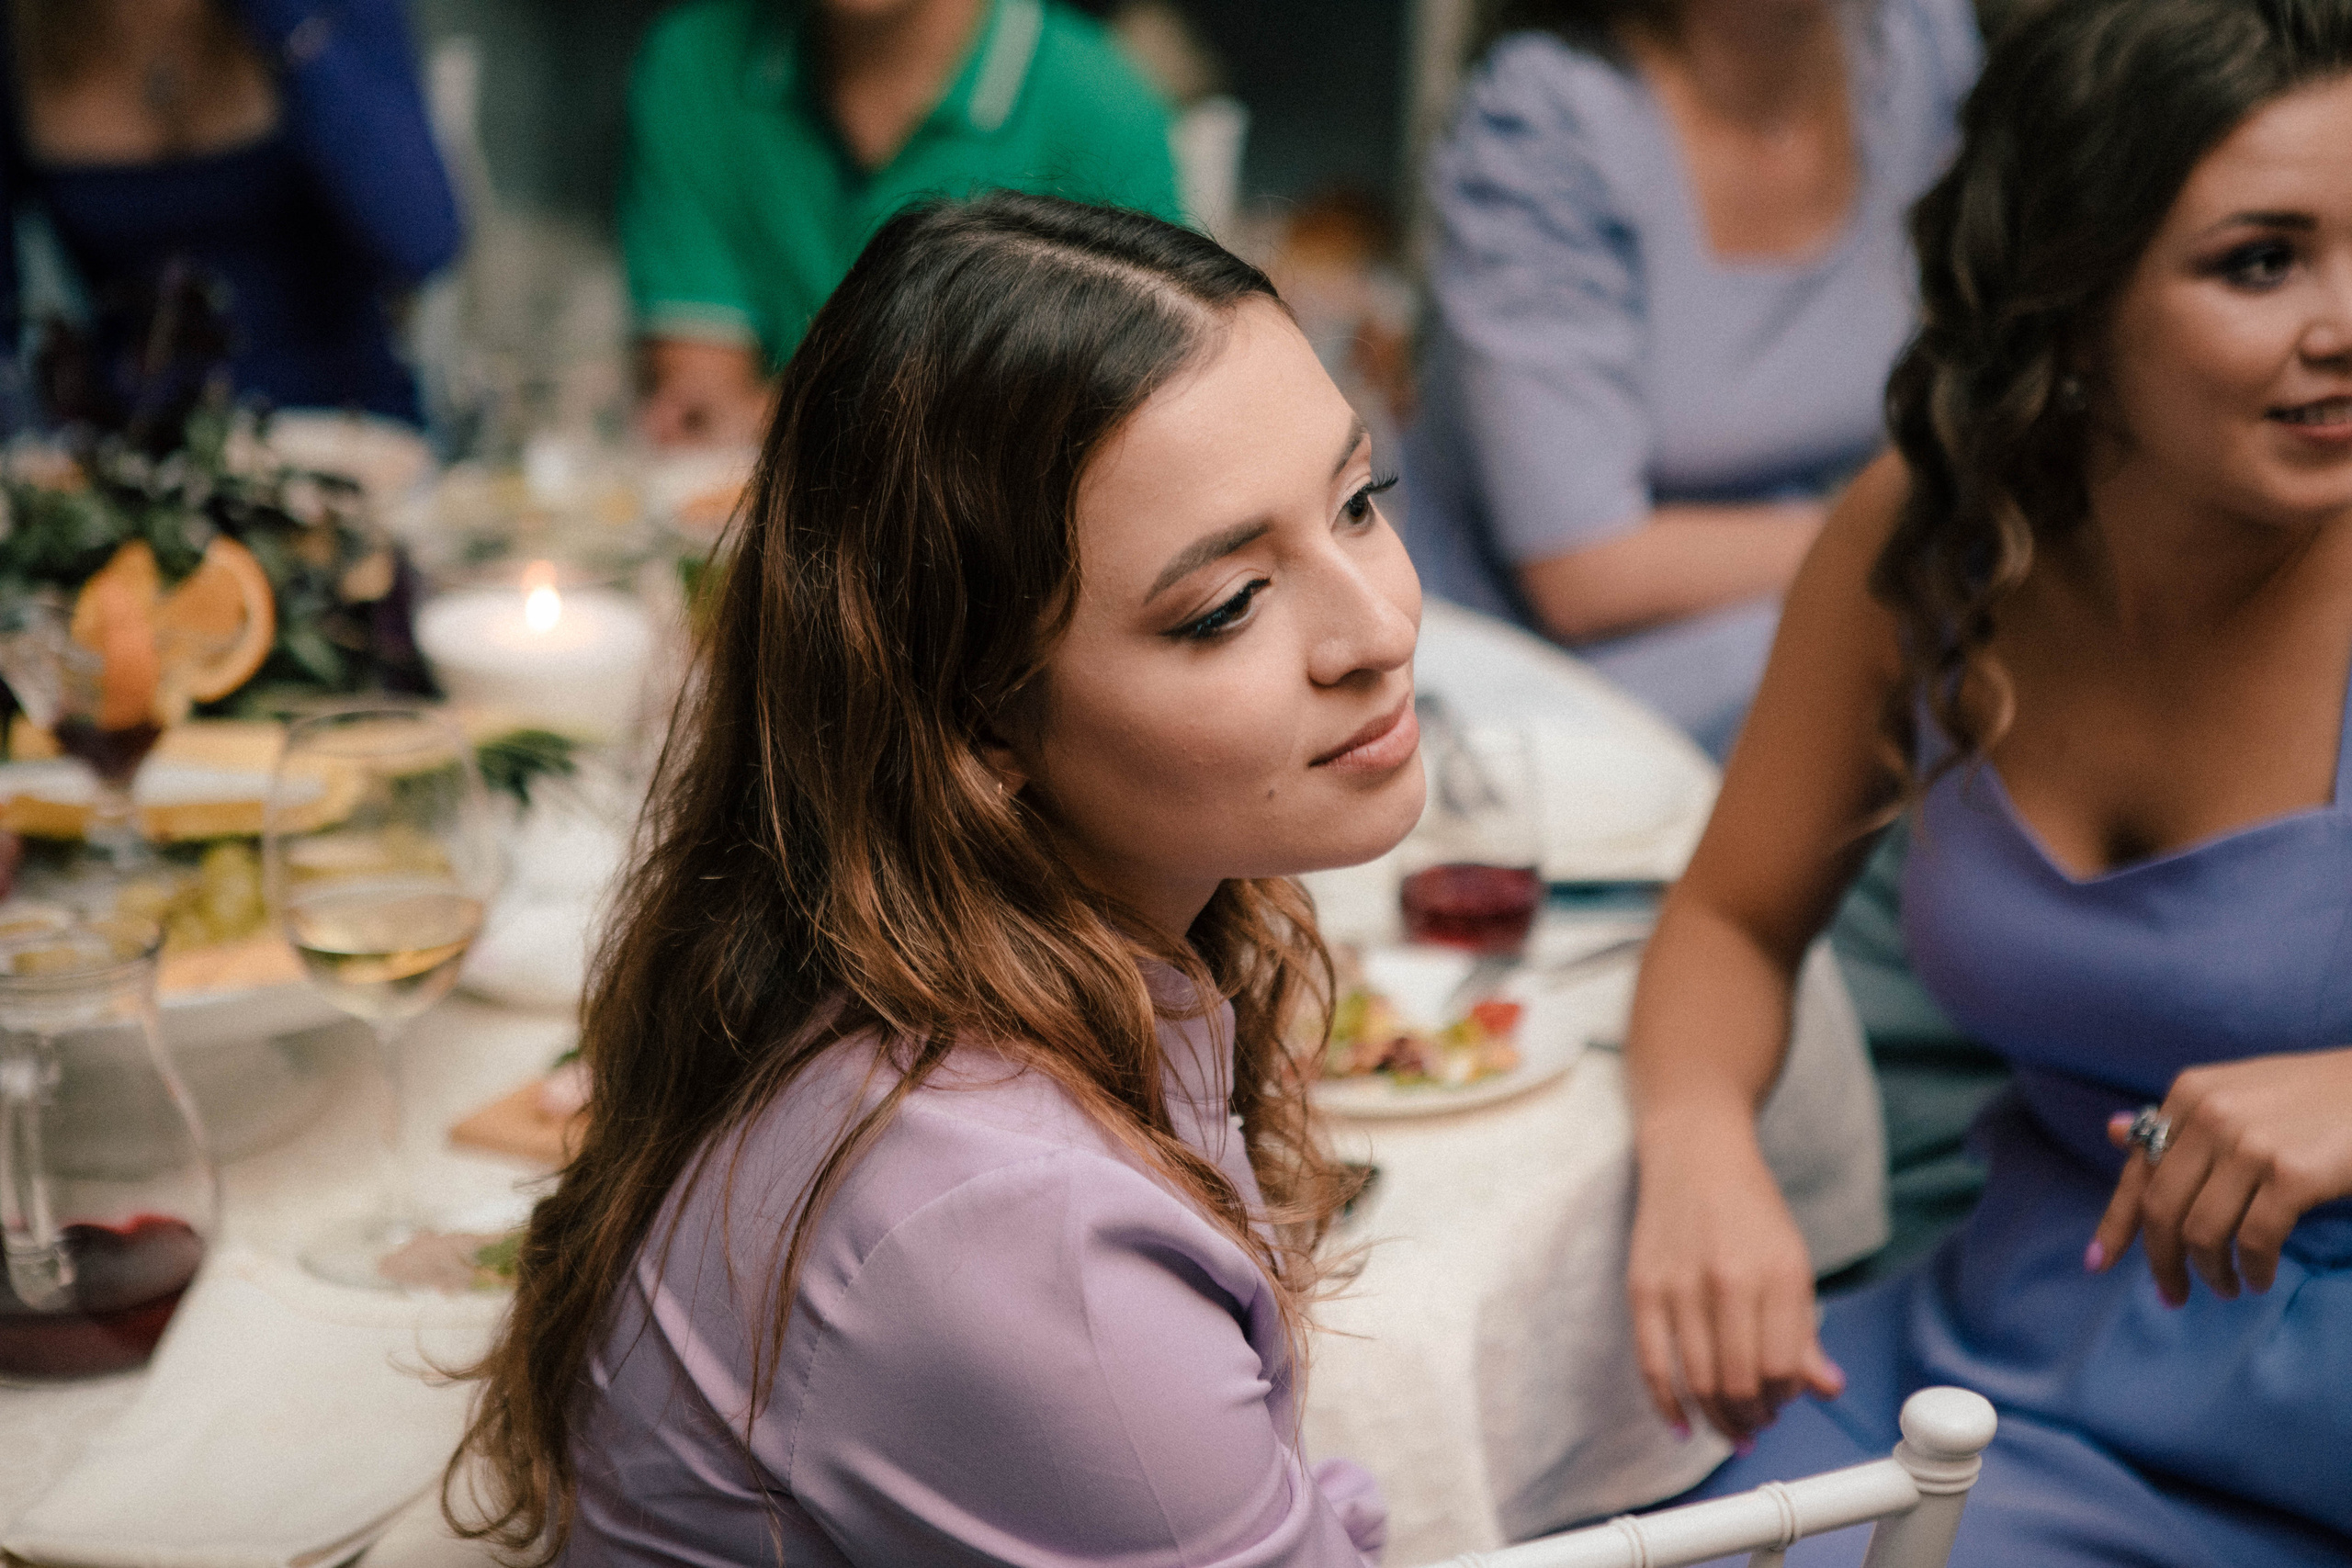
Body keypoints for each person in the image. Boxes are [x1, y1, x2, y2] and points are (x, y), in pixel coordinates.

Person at [450, 194, 1417, 1564]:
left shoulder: (925, 937)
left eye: (1361, 502)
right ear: (977, 723)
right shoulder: (1025, 1233)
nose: (1381, 626)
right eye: (1227, 605)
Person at [1620, 1, 2352, 1562]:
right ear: (2070, 299)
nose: (2346, 317)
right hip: (2009, 1353)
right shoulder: (1936, 524)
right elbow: (1735, 919)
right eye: (2261, 260)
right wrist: (1695, 1140)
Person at [1405, 0, 1980, 759]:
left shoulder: (1924, 43)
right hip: (1565, 679)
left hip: (1865, 583)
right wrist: (1927, 531)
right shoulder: (1550, 118)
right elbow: (1582, 572)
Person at [622, 0, 1185, 448]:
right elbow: (701, 407)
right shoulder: (694, 63)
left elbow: (1117, 429)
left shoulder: (1105, 107)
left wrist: (766, 416)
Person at [0, 0, 461, 425]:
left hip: (354, 435)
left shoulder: (327, 11)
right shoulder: (24, 28)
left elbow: (424, 240)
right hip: (141, 457)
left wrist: (286, 21)